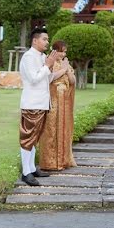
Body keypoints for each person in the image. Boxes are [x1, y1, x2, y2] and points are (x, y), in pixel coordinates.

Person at [18, 28, 66, 186]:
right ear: (35, 40)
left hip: (42, 103)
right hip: (32, 104)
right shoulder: (29, 57)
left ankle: (32, 168)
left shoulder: (43, 57)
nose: (47, 42)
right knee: (28, 138)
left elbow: (47, 78)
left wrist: (59, 70)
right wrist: (47, 65)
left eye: (47, 39)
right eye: (44, 39)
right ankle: (26, 172)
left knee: (35, 137)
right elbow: (33, 79)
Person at [39, 40, 77, 171]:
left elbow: (72, 81)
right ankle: (50, 162)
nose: (64, 53)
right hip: (53, 101)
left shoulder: (65, 63)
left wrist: (68, 71)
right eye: (62, 51)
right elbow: (50, 78)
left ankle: (63, 160)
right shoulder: (50, 63)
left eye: (65, 51)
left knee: (64, 129)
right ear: (55, 51)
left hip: (65, 102)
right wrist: (64, 69)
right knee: (51, 130)